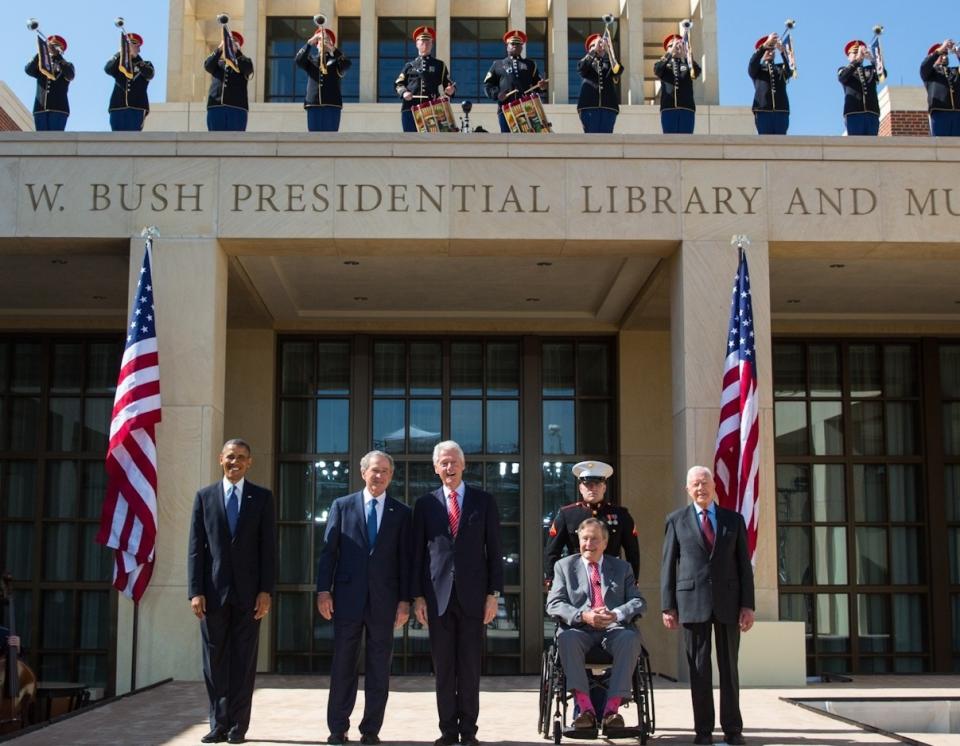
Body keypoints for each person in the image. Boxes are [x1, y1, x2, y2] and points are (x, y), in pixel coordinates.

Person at [316, 450, 412, 746]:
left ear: (391, 476)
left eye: (385, 471)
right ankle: (337, 728)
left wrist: (405, 601)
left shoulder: (402, 512)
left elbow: (406, 561)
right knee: (343, 664)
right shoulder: (342, 506)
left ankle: (371, 729)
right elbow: (328, 552)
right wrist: (323, 591)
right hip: (347, 598)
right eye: (374, 470)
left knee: (378, 667)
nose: (379, 476)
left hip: (385, 601)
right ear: (363, 473)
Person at [412, 440, 503, 746]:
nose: (449, 468)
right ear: (436, 468)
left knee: (469, 668)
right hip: (437, 598)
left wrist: (494, 594)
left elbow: (495, 551)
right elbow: (417, 555)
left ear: (464, 465)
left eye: (454, 462)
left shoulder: (484, 501)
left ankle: (469, 732)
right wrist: (418, 597)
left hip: (474, 598)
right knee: (444, 669)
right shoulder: (425, 504)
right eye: (443, 463)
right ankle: (448, 730)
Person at [188, 439, 276, 745]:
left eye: (241, 457)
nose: (235, 462)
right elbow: (196, 550)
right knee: (214, 662)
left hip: (251, 596)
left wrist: (266, 591)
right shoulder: (204, 497)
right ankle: (218, 724)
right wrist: (195, 591)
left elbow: (268, 549)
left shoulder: (262, 498)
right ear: (220, 459)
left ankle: (238, 726)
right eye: (230, 457)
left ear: (250, 462)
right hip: (212, 596)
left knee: (244, 662)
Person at [660, 466, 755, 746]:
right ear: (687, 490)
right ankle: (703, 732)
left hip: (729, 602)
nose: (700, 488)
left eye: (705, 483)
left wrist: (747, 605)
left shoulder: (733, 520)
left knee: (729, 670)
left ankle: (733, 730)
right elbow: (668, 566)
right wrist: (668, 606)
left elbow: (743, 566)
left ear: (714, 486)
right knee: (699, 671)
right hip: (691, 603)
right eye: (695, 485)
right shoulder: (676, 520)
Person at [546, 518, 645, 733]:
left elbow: (638, 602)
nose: (589, 543)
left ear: (605, 543)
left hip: (613, 629)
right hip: (579, 629)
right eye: (585, 538)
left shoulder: (621, 567)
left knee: (630, 638)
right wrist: (583, 615)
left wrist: (616, 614)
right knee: (566, 638)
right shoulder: (564, 566)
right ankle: (585, 709)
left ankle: (612, 711)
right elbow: (554, 604)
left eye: (595, 539)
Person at [544, 461, 639, 589]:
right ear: (580, 488)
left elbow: (632, 551)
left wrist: (632, 581)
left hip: (612, 579)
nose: (593, 488)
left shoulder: (621, 514)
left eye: (597, 484)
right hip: (576, 579)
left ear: (604, 487)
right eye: (588, 484)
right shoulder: (567, 514)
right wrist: (553, 580)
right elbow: (552, 551)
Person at [484, 29, 549, 133]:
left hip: (527, 108)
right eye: (512, 43)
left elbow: (538, 85)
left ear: (522, 47)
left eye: (518, 44)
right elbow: (487, 85)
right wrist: (497, 94)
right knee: (507, 140)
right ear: (507, 46)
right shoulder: (497, 64)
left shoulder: (530, 64)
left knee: (527, 140)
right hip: (505, 109)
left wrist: (542, 86)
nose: (515, 45)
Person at [395, 26, 455, 133]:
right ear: (417, 44)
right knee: (411, 141)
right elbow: (398, 84)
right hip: (410, 108)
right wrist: (404, 93)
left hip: (432, 109)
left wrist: (450, 90)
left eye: (428, 42)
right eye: (422, 42)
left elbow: (448, 84)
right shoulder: (409, 66)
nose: (425, 45)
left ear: (432, 45)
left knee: (431, 142)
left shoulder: (439, 65)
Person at [296, 27, 351, 132]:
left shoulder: (336, 61)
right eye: (320, 40)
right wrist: (310, 42)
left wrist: (332, 48)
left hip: (332, 105)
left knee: (331, 139)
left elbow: (347, 64)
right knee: (314, 139)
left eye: (326, 40)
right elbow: (298, 60)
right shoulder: (311, 60)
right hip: (313, 105)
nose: (322, 42)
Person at [204, 30, 254, 132]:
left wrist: (237, 52)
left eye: (234, 41)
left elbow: (248, 69)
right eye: (228, 41)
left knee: (235, 142)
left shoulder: (244, 61)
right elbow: (208, 66)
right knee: (214, 140)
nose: (230, 44)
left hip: (237, 108)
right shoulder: (218, 62)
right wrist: (220, 48)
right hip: (216, 107)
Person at [105, 32, 155, 131]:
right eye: (128, 45)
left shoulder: (145, 64)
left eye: (134, 45)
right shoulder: (119, 64)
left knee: (134, 137)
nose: (130, 48)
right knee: (116, 137)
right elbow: (108, 69)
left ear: (139, 48)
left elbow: (149, 74)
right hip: (118, 106)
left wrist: (136, 58)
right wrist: (120, 53)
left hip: (137, 107)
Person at [25, 34, 74, 131]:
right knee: (41, 140)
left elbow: (70, 75)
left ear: (61, 50)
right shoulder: (41, 65)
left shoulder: (67, 64)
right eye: (51, 45)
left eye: (56, 45)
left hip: (59, 108)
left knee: (55, 139)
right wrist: (41, 52)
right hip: (40, 108)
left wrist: (57, 56)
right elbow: (28, 70)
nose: (52, 47)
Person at [654, 33, 701, 134]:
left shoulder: (687, 64)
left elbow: (696, 72)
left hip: (687, 108)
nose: (675, 47)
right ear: (667, 49)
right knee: (670, 142)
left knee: (686, 142)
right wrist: (670, 54)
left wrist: (689, 56)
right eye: (671, 46)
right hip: (668, 108)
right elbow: (657, 70)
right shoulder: (664, 65)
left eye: (678, 45)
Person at [577, 33, 623, 134]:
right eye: (593, 45)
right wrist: (594, 51)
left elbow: (618, 70)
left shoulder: (608, 61)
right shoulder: (586, 61)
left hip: (608, 107)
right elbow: (581, 68)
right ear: (589, 49)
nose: (598, 46)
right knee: (592, 139)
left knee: (606, 141)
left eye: (600, 44)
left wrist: (608, 52)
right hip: (589, 107)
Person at [748, 33, 793, 135]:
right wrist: (764, 46)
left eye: (772, 49)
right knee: (765, 144)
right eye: (768, 49)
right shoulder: (757, 69)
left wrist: (783, 52)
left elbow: (790, 72)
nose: (770, 52)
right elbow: (752, 63)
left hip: (781, 111)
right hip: (763, 111)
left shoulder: (780, 68)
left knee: (781, 143)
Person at [838, 39, 884, 136]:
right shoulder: (843, 69)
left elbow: (883, 75)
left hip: (872, 112)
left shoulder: (870, 69)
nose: (857, 54)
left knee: (872, 145)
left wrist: (872, 59)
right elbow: (842, 77)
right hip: (853, 113)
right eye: (854, 52)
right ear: (848, 56)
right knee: (856, 145)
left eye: (859, 52)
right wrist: (857, 61)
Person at [920, 39, 960, 137]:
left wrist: (958, 54)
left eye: (946, 54)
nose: (944, 56)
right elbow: (924, 66)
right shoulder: (930, 73)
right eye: (942, 54)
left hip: (958, 114)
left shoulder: (955, 71)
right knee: (940, 145)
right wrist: (940, 49)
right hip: (939, 113)